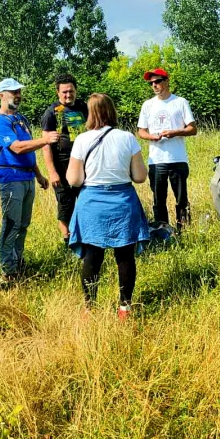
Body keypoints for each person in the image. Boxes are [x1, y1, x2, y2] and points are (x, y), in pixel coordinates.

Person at [66, 94, 150, 320]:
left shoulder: (82, 140)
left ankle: (90, 308)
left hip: (92, 204)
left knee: (92, 257)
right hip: (123, 202)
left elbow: (74, 180)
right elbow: (140, 177)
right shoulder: (128, 138)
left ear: (90, 113)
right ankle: (125, 308)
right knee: (125, 256)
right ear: (112, 111)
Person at [0, 77, 59, 280]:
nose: (18, 95)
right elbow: (17, 147)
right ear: (1, 95)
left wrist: (38, 174)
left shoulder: (21, 119)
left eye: (19, 92)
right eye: (13, 92)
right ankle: (8, 269)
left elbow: (29, 149)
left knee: (23, 224)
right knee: (11, 224)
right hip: (11, 177)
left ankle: (18, 262)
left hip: (27, 176)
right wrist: (45, 140)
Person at [137, 68, 197, 229]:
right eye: (151, 83)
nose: (154, 85)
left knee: (181, 199)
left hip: (177, 158)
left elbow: (193, 129)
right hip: (156, 160)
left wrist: (175, 132)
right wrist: (152, 137)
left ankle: (184, 230)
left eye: (157, 81)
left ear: (166, 81)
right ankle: (162, 231)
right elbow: (141, 131)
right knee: (158, 200)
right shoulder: (148, 105)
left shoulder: (180, 102)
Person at [41, 73, 89, 245]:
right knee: (65, 204)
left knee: (86, 201)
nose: (68, 95)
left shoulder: (84, 107)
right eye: (64, 92)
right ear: (58, 92)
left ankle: (86, 237)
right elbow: (46, 144)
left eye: (71, 91)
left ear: (76, 90)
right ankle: (68, 240)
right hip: (62, 166)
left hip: (84, 164)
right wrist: (52, 172)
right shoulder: (51, 113)